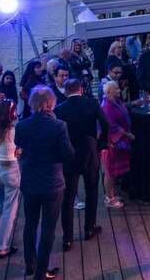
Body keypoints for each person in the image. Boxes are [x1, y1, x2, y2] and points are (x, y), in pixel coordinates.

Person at [15, 86, 74, 280]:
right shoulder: (59, 126)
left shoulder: (22, 125)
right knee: (48, 228)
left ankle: (30, 264)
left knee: (30, 224)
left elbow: (20, 146)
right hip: (52, 183)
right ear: (51, 103)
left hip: (30, 181)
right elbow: (67, 154)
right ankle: (41, 272)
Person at [54, 77, 109, 249]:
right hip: (90, 151)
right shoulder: (92, 104)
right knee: (92, 191)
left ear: (65, 91)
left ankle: (67, 239)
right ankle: (89, 228)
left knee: (68, 198)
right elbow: (106, 124)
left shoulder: (59, 109)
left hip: (69, 155)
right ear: (81, 90)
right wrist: (101, 144)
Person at [0, 99, 21, 258]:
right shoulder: (14, 130)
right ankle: (4, 246)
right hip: (10, 168)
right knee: (10, 208)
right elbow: (19, 150)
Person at [100, 80, 134, 208]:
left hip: (118, 142)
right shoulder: (106, 106)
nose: (119, 91)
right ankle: (110, 199)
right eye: (117, 89)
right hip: (111, 144)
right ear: (109, 92)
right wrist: (126, 134)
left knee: (113, 172)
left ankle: (112, 194)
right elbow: (112, 126)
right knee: (110, 172)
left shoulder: (115, 101)